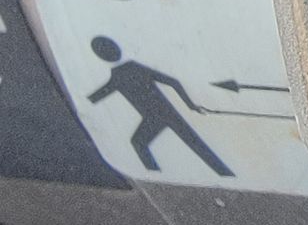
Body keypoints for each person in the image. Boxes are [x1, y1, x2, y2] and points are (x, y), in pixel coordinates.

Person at [85, 36, 231, 176]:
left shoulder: (119, 75)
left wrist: (191, 105)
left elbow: (98, 95)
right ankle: (223, 173)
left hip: (154, 116)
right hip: (163, 114)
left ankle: (155, 173)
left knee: (139, 142)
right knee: (196, 145)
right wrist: (190, 105)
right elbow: (173, 82)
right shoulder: (130, 69)